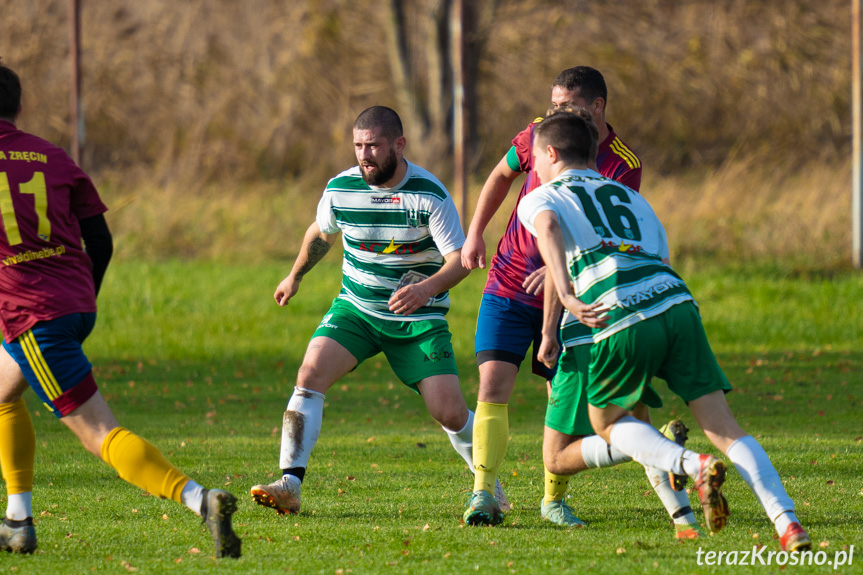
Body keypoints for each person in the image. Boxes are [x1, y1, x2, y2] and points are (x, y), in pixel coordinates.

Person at [517, 110, 811, 552]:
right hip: (676, 303)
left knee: (608, 420)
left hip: (620, 312)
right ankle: (787, 522)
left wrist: (567, 295)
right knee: (725, 426)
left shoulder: (544, 195)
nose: (533, 166)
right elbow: (662, 258)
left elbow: (549, 227)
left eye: (535, 157)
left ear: (551, 154)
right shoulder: (632, 198)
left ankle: (691, 464)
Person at [0, 61, 241, 557]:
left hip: (34, 319)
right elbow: (101, 240)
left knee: (100, 434)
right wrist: (83, 296)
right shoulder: (52, 156)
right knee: (2, 393)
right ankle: (18, 520)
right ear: (18, 107)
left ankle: (199, 499)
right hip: (73, 305)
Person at [461, 66, 695, 536]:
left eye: (566, 105)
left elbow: (610, 233)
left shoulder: (621, 162)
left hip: (573, 295)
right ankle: (483, 493)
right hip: (508, 281)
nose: (556, 113)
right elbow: (500, 175)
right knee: (491, 385)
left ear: (597, 106)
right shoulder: (538, 135)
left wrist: (560, 266)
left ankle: (553, 501)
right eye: (553, 104)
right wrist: (474, 233)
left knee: (560, 399)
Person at [249, 106, 506, 516]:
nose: (364, 155)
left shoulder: (428, 194)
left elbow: (459, 259)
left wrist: (426, 289)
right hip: (357, 310)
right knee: (309, 375)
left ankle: (488, 485)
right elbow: (322, 233)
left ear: (399, 145)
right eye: (358, 146)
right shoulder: (340, 189)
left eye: (373, 146)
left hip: (418, 321)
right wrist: (294, 276)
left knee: (450, 412)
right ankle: (290, 484)